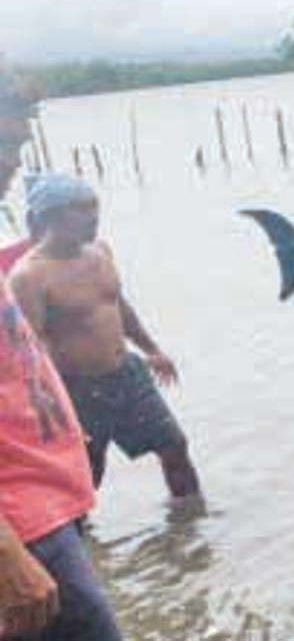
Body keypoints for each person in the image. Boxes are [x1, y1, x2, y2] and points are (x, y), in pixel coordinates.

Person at [0, 69, 123, 640]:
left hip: (42, 502)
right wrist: (7, 553)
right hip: (21, 523)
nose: (15, 165)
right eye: (8, 142)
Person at [8, 173, 200, 499]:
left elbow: (117, 305)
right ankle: (85, 545)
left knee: (174, 446)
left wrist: (151, 349)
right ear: (51, 216)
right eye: (80, 208)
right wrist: (43, 396)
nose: (92, 216)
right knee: (86, 473)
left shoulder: (100, 251)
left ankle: (192, 534)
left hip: (127, 373)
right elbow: (31, 345)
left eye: (94, 205)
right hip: (79, 389)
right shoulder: (29, 276)